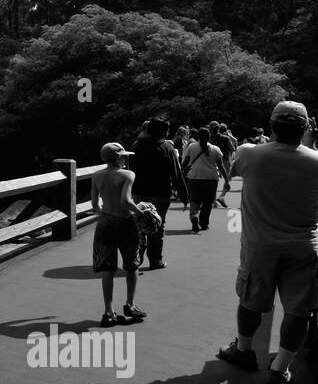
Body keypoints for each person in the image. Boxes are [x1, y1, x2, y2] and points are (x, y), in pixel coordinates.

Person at [217, 101, 318, 384]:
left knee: (250, 301)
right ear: (307, 127)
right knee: (299, 311)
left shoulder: (249, 154)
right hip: (304, 247)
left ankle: (244, 350)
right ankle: (280, 369)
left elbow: (233, 171)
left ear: (271, 126)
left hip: (259, 246)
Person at [90, 142, 147, 326]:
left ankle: (108, 312)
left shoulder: (96, 175)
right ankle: (130, 305)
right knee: (132, 265)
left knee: (108, 269)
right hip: (125, 223)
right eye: (124, 156)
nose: (125, 159)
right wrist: (141, 213)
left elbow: (94, 205)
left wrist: (104, 214)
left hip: (104, 223)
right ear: (119, 158)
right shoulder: (127, 174)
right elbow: (126, 200)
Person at [131, 119, 187, 270]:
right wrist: (184, 195)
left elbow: (130, 171)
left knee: (139, 223)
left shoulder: (136, 146)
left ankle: (137, 255)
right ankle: (155, 260)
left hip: (139, 192)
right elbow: (176, 173)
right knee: (157, 225)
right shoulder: (167, 147)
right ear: (164, 132)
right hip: (160, 193)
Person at [183, 127, 229, 232]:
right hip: (211, 179)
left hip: (194, 178)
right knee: (208, 202)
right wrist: (226, 180)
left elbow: (185, 162)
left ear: (197, 137)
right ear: (209, 137)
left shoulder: (191, 147)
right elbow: (221, 166)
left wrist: (184, 169)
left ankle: (194, 215)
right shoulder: (215, 149)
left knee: (194, 200)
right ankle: (204, 223)